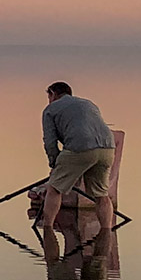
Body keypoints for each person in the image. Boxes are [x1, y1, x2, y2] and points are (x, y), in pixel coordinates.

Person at [38, 81, 114, 237]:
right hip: (107, 148)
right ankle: (107, 234)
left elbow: (50, 142)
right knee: (101, 194)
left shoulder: (50, 110)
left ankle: (48, 231)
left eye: (49, 96)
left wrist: (54, 164)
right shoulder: (88, 104)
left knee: (54, 188)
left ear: (52, 94)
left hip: (80, 147)